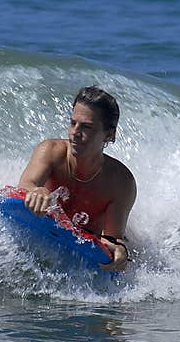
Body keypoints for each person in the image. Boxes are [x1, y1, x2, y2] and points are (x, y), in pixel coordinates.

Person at [18, 86, 136, 272]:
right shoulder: (51, 152)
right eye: (73, 123)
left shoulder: (120, 182)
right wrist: (36, 190)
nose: (75, 132)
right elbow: (26, 184)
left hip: (87, 237)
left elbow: (112, 238)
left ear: (109, 134)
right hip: (46, 227)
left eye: (86, 127)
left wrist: (120, 250)